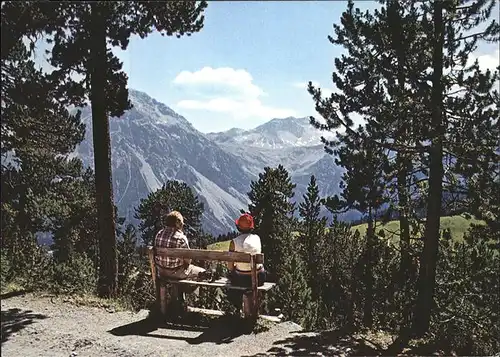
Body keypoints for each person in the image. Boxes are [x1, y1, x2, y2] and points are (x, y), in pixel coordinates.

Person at [226, 213, 266, 311]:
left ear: (238, 227)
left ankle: (236, 309)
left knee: (231, 276)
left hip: (242, 279)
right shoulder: (257, 238)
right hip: (259, 277)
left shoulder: (234, 242)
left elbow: (230, 267)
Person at [154, 210, 206, 281]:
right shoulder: (181, 238)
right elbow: (188, 260)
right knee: (203, 272)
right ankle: (186, 291)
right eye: (182, 223)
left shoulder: (159, 234)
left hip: (161, 272)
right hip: (176, 273)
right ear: (178, 223)